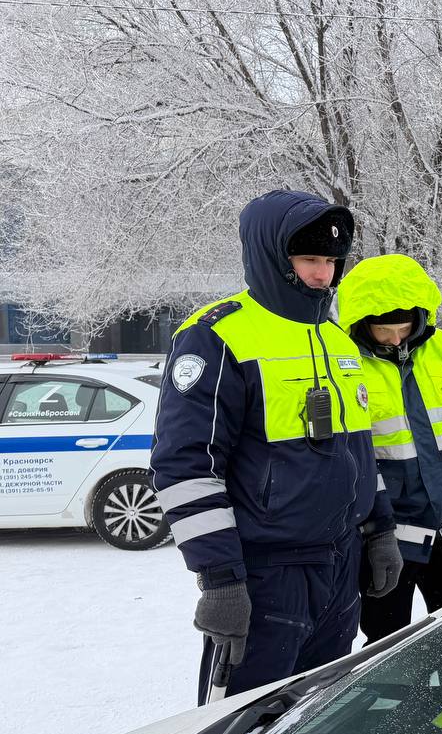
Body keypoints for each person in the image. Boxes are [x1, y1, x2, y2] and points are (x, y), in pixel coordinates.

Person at [151, 190, 401, 704]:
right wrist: (219, 578)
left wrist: (380, 530)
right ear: (271, 255)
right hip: (266, 577)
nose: (323, 275)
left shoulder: (337, 341)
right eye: (310, 259)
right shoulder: (217, 337)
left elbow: (359, 452)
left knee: (321, 722)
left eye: (331, 261)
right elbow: (186, 469)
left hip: (338, 568)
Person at [335, 254, 442, 642]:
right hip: (389, 539)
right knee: (387, 651)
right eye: (384, 331)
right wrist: (375, 529)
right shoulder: (346, 364)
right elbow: (353, 459)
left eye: (403, 328)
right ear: (361, 324)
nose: (396, 339)